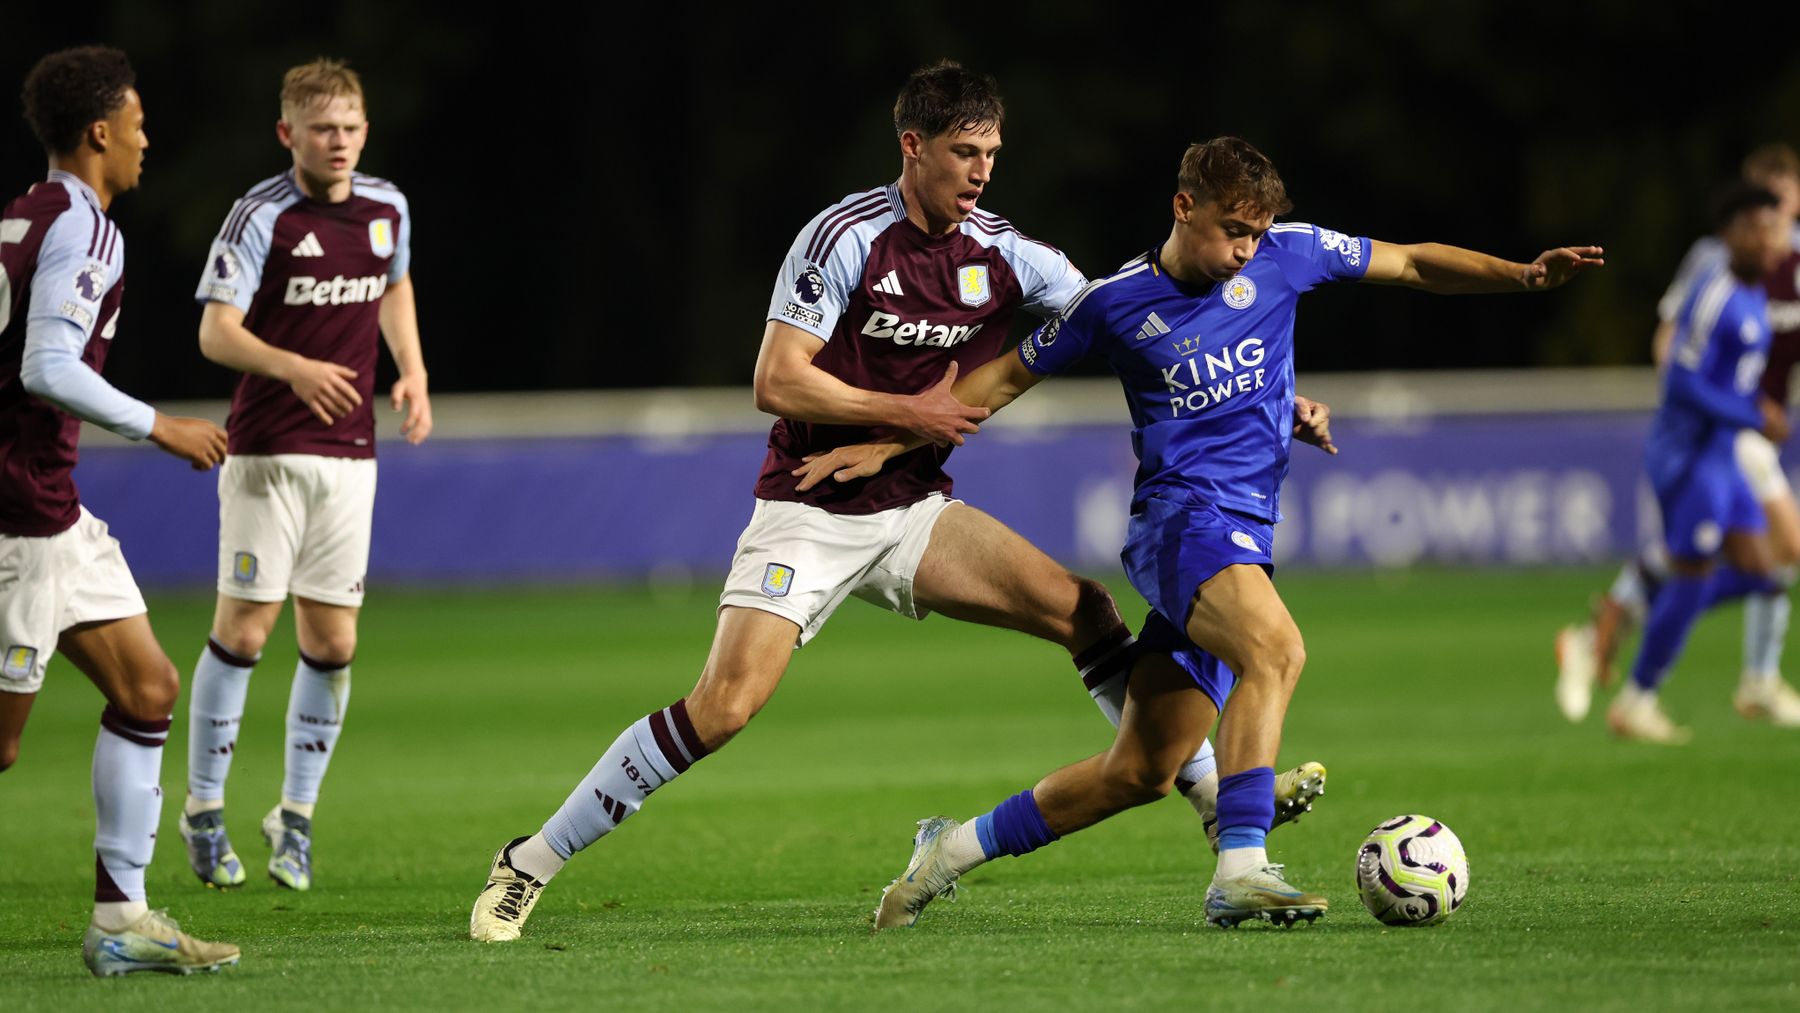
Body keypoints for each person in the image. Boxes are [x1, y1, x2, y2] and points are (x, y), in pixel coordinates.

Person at [467, 63, 1326, 943]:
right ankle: (528, 861)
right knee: (723, 706)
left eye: (992, 151)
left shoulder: (1004, 250)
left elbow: (1134, 320)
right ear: (912, 146)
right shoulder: (843, 237)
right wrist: (903, 410)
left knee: (1085, 610)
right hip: (811, 507)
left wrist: (1258, 400)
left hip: (914, 513)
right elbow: (776, 379)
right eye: (965, 151)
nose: (982, 170)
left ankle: (1215, 798)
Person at [794, 136, 1601, 929]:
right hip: (1181, 524)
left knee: (1142, 770)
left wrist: (1523, 275)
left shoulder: (1292, 253)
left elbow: (1414, 262)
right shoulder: (1112, 304)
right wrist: (890, 439)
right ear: (1185, 207)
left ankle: (948, 851)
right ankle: (1241, 869)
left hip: (1246, 534)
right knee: (1276, 651)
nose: (1248, 250)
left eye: (1255, 232)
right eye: (1233, 230)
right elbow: (1000, 379)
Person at [0, 46, 239, 975]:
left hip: (53, 511)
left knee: (147, 687)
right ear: (100, 132)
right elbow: (45, 369)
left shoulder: (22, 215)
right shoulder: (85, 227)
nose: (147, 139)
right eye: (137, 124)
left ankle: (120, 919)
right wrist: (161, 426)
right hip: (19, 517)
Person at [178, 58, 432, 892]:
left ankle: (294, 818)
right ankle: (205, 811)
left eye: (352, 128)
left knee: (333, 641)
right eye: (323, 129)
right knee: (246, 631)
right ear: (288, 133)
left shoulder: (386, 206)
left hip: (350, 459)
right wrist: (293, 367)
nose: (340, 143)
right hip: (266, 455)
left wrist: (413, 371)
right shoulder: (263, 216)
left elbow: (394, 288)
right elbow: (217, 332)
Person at [1557, 146, 1800, 727]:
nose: (1771, 236)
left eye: (1777, 221)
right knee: (1698, 573)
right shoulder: (1715, 286)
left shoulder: (1753, 293)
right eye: (1760, 225)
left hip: (1724, 453)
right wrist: (1751, 414)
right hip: (1694, 454)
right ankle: (1640, 697)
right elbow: (1682, 381)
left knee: (1762, 573)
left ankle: (1616, 618)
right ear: (1734, 232)